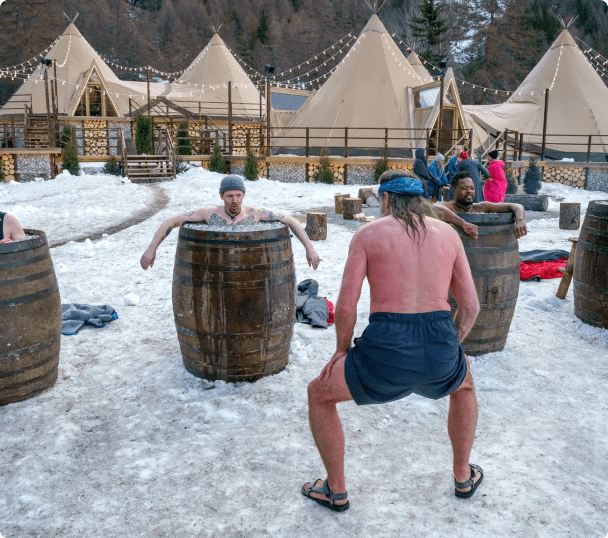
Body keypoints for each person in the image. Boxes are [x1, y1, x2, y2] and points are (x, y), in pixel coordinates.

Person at [302, 170, 483, 512]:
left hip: (387, 348)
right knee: (465, 387)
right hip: (440, 342)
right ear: (419, 201)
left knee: (319, 394)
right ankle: (463, 476)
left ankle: (336, 491)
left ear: (385, 199)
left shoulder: (369, 234)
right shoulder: (448, 234)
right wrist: (452, 347)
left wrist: (341, 351)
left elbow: (346, 305)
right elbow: (471, 306)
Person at [140, 175, 320, 270]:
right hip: (218, 267)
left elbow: (291, 220)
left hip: (249, 266)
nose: (234, 200)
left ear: (243, 195)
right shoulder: (209, 214)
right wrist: (151, 249)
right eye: (230, 196)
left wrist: (309, 248)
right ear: (221, 196)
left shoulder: (255, 214)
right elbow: (170, 221)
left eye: (238, 195)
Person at [437, 171, 528, 239]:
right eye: (464, 188)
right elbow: (434, 208)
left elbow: (516, 206)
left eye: (472, 188)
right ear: (453, 191)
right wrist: (463, 223)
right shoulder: (449, 206)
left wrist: (520, 220)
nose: (469, 191)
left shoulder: (481, 207)